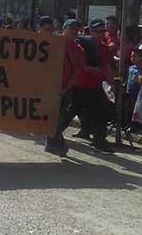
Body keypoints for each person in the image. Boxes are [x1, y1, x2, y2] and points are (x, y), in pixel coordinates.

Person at [71, 19, 115, 153]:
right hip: (79, 84)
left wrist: (112, 81)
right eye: (97, 31)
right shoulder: (81, 45)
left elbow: (106, 66)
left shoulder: (104, 48)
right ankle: (54, 135)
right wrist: (94, 70)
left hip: (95, 85)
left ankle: (100, 141)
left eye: (103, 31)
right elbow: (79, 65)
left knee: (101, 113)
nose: (100, 34)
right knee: (70, 112)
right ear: (91, 31)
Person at [45, 19, 87, 157]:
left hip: (65, 89)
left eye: (77, 29)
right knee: (51, 116)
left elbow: (77, 72)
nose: (75, 31)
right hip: (49, 86)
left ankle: (56, 143)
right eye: (72, 28)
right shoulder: (51, 43)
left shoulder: (79, 50)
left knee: (59, 117)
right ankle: (56, 143)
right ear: (64, 29)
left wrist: (67, 89)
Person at [125, 49, 142, 131]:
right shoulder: (131, 68)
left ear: (141, 57)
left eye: (135, 56)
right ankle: (128, 124)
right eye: (131, 56)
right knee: (128, 109)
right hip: (129, 91)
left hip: (138, 92)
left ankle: (136, 126)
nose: (133, 58)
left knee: (136, 109)